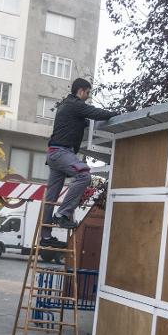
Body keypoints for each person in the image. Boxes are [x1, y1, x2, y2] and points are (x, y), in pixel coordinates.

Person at [40, 78, 117, 248]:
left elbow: (83, 122)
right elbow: (96, 113)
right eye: (88, 93)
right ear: (81, 91)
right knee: (83, 175)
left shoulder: (66, 106)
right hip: (61, 153)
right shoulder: (75, 104)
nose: (88, 96)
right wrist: (115, 114)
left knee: (51, 197)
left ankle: (44, 236)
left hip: (54, 154)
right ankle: (62, 214)